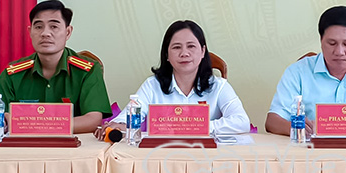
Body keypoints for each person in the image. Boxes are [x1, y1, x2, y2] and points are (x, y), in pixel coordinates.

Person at [97, 20, 250, 138]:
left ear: (203, 51)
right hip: (161, 157)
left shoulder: (219, 86)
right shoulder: (152, 85)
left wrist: (197, 127)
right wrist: (118, 125)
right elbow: (127, 118)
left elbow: (241, 122)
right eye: (177, 47)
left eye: (191, 46)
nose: (184, 53)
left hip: (206, 157)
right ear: (167, 55)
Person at [0, 0, 111, 133]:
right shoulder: (13, 73)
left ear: (68, 32)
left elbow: (93, 120)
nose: (45, 33)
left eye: (54, 26)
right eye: (38, 27)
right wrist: (4, 121)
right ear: (30, 32)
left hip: (72, 144)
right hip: (25, 145)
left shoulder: (87, 70)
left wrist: (34, 125)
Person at [265, 6, 346, 136]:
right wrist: (297, 128)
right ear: (321, 41)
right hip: (311, 146)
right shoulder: (297, 72)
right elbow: (273, 121)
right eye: (332, 43)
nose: (339, 52)